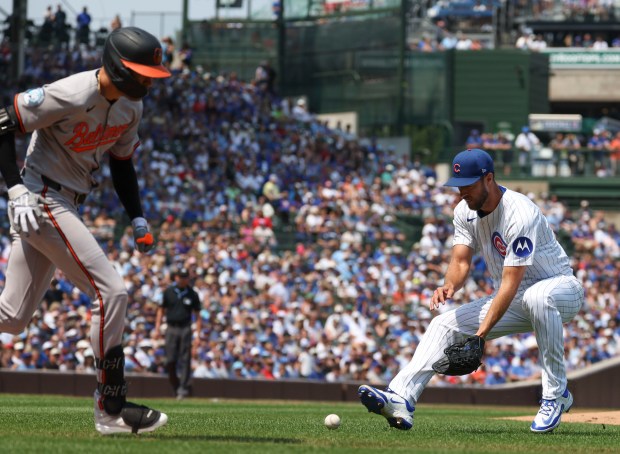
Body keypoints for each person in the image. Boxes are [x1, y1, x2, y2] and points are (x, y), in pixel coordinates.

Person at [0, 26, 171, 435]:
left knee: (12, 317)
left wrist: (138, 217)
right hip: (41, 197)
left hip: (69, 201)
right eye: (141, 72)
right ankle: (111, 408)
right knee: (111, 291)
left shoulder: (131, 107)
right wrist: (16, 187)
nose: (148, 80)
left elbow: (122, 162)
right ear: (117, 67)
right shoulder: (72, 92)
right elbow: (3, 124)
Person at [358, 148, 584, 434]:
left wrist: (479, 336)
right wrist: (450, 283)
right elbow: (461, 260)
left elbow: (510, 282)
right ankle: (401, 397)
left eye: (467, 184)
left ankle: (555, 395)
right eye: (458, 185)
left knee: (537, 297)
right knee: (443, 325)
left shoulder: (520, 213)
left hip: (561, 290)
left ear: (488, 179)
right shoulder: (464, 211)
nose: (461, 191)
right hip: (517, 298)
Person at [155, 267, 202, 400]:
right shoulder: (168, 292)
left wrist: (198, 335)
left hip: (185, 328)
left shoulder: (192, 294)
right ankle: (175, 385)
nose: (183, 279)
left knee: (186, 359)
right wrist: (157, 328)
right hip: (171, 328)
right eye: (180, 277)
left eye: (185, 277)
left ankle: (183, 388)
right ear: (176, 278)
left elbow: (198, 315)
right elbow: (161, 310)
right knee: (170, 360)